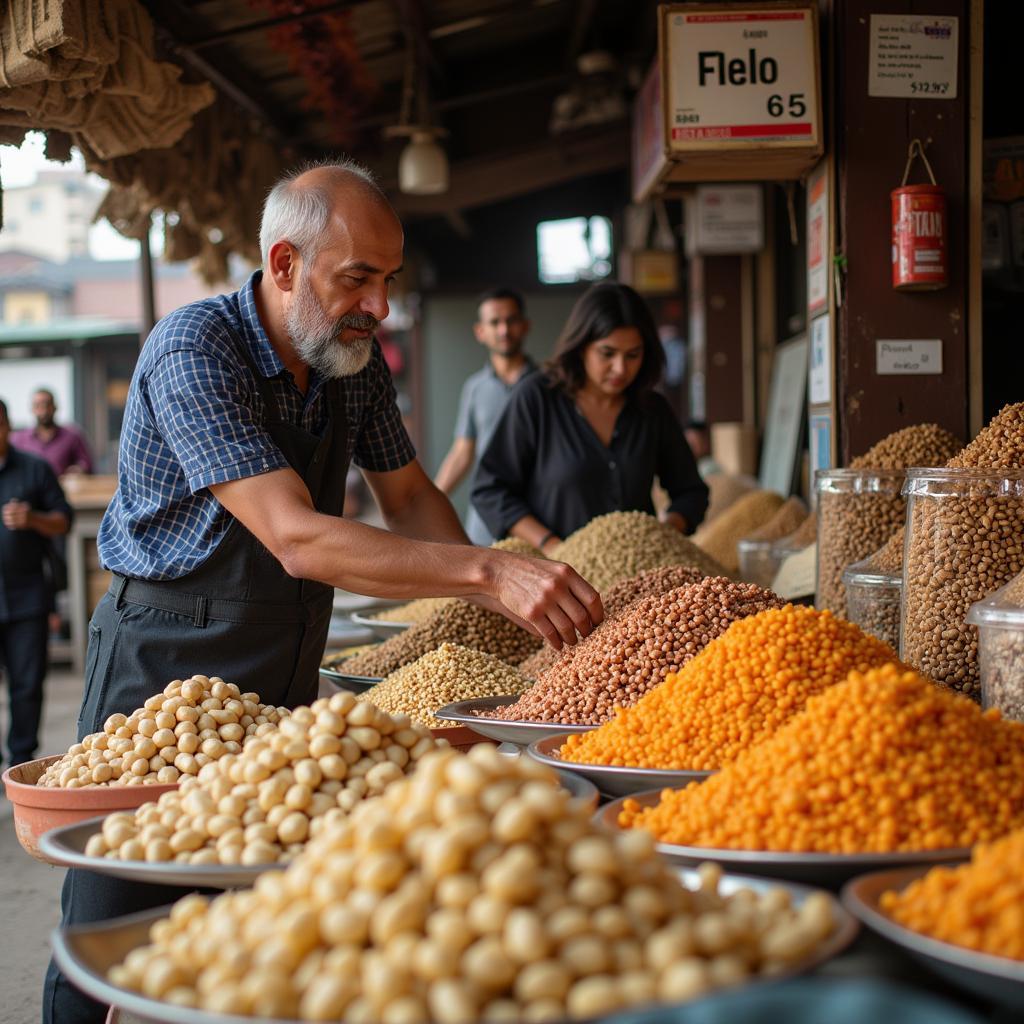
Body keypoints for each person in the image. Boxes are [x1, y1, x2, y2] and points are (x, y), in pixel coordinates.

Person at [43, 159, 602, 1024]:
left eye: (387, 280)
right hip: (163, 669)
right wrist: (493, 570)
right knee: (118, 919)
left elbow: (410, 497)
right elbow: (297, 537)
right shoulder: (195, 349)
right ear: (283, 265)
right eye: (358, 279)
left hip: (284, 663)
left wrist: (509, 610)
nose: (379, 305)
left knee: (256, 923)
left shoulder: (353, 361)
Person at [471, 282, 709, 553]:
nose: (620, 368)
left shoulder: (651, 410)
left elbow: (691, 491)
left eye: (633, 355)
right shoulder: (537, 398)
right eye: (607, 353)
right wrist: (553, 546)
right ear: (582, 346)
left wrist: (663, 533)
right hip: (552, 572)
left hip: (637, 574)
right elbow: (490, 490)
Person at [0, 398, 72, 769]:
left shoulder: (35, 469)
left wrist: (33, 519)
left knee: (27, 685)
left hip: (26, 596)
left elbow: (64, 521)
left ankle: (19, 760)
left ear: (7, 427)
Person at [433, 287, 536, 544]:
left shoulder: (547, 385)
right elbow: (462, 452)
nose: (504, 330)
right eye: (495, 322)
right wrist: (429, 503)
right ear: (480, 331)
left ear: (525, 325)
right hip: (485, 522)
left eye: (511, 320)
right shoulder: (475, 389)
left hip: (537, 520)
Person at [11, 388, 94, 476]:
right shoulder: (19, 439)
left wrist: (79, 469)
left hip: (63, 487)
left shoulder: (72, 436)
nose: (44, 411)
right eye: (38, 406)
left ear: (55, 407)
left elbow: (87, 464)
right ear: (32, 409)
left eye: (47, 405)